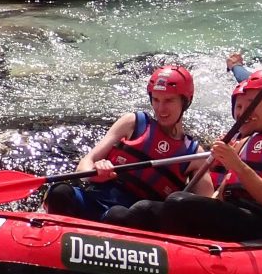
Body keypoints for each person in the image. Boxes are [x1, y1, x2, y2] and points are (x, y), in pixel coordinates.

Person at [154, 68, 262, 241]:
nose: (243, 112)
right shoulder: (249, 140)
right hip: (235, 214)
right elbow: (222, 191)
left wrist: (237, 165)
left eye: (252, 103)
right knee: (145, 209)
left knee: (178, 203)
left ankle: (175, 256)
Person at [43, 65, 213, 222]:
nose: (161, 109)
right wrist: (94, 173)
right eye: (156, 99)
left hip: (129, 218)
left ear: (185, 101)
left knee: (118, 215)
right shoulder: (132, 123)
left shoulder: (194, 154)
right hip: (94, 199)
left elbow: (206, 209)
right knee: (59, 192)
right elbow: (84, 165)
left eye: (169, 100)